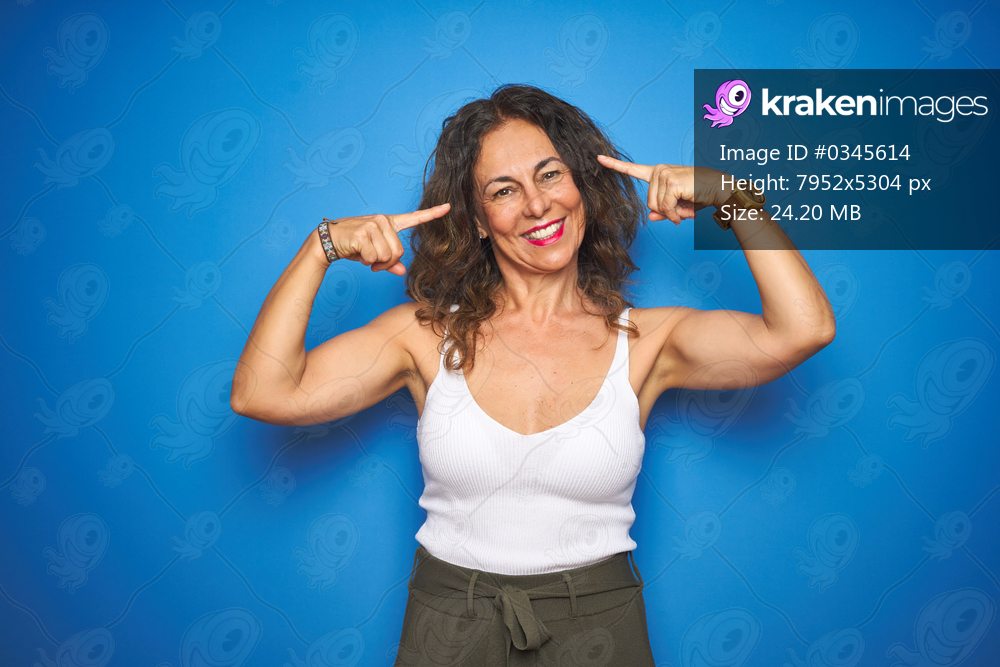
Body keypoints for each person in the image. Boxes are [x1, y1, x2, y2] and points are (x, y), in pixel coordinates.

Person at [230, 84, 836, 666]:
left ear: (581, 188)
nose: (537, 205)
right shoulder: (425, 335)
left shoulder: (648, 341)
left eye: (550, 175)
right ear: (476, 219)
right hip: (450, 622)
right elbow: (263, 392)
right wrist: (321, 247)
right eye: (504, 190)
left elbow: (802, 328)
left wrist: (734, 197)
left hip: (600, 623)